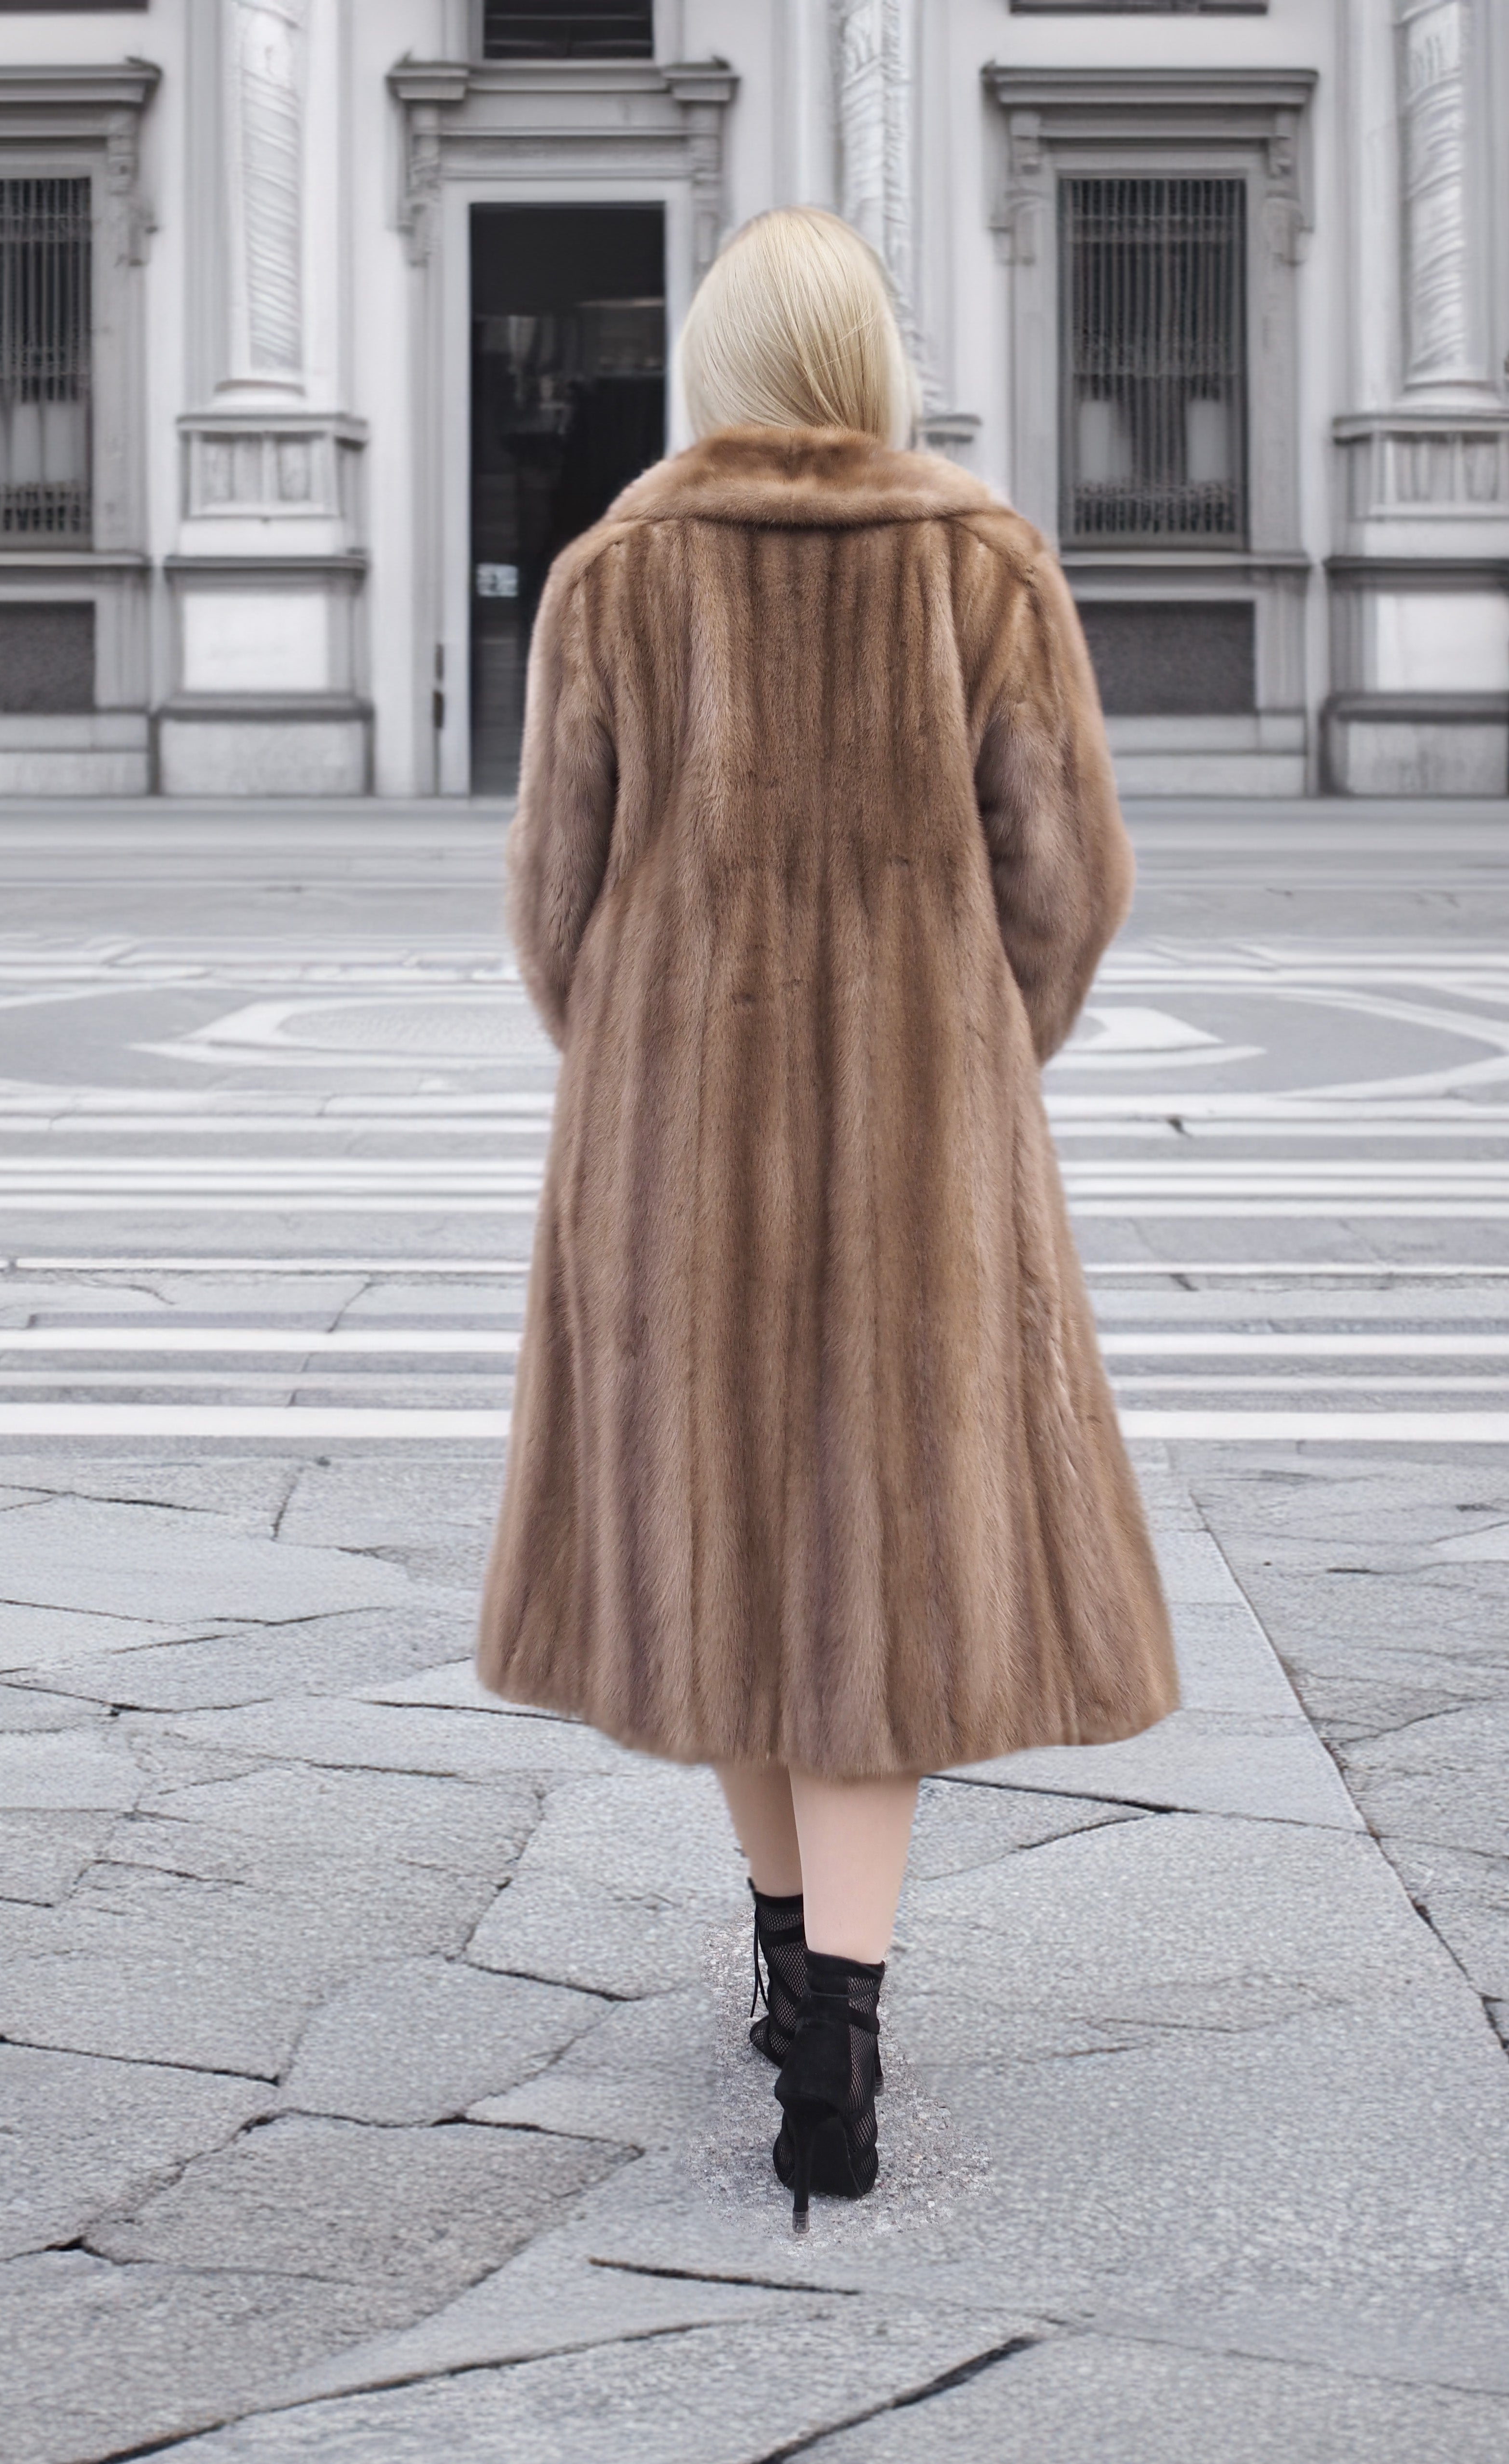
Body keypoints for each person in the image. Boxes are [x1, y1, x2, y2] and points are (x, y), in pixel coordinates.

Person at [476, 206, 1179, 2224]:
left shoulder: (617, 569)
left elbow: (554, 902)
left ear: (712, 363)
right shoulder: (981, 558)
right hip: (919, 1155)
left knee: (726, 1560)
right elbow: (1068, 884)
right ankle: (848, 2032)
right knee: (887, 1569)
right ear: (873, 359)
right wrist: (969, 1053)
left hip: (666, 1151)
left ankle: (784, 1964)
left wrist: (634, 1057)